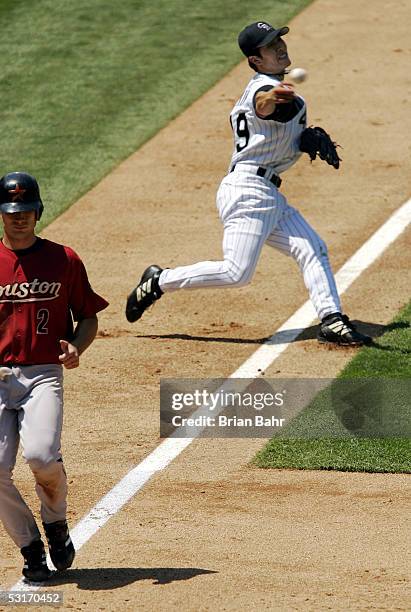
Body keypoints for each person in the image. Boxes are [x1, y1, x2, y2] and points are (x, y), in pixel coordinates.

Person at [125, 21, 370, 347]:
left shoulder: (275, 86)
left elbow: (272, 129)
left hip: (266, 193)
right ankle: (160, 281)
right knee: (236, 273)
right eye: (271, 47)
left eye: (279, 41)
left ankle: (332, 320)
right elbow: (264, 104)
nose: (280, 47)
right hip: (249, 192)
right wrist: (274, 97)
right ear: (256, 60)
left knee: (312, 249)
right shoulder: (262, 88)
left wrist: (303, 140)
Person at [0, 171, 108, 582]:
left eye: (26, 210)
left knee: (41, 457)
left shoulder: (64, 259)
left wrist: (77, 345)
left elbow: (88, 317)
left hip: (43, 374)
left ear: (38, 211)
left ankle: (56, 522)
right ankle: (30, 548)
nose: (19, 218)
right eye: (12, 211)